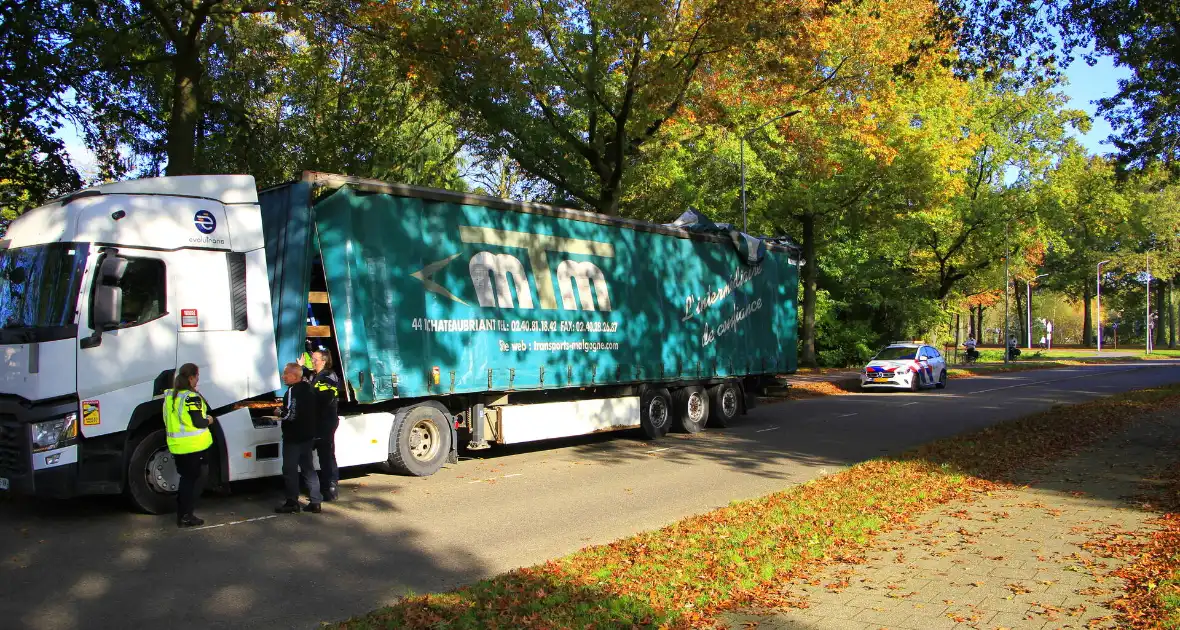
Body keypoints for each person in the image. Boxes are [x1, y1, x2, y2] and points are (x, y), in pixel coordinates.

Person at [163, 363, 215, 528]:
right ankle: (186, 515)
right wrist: (209, 420)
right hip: (194, 446)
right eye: (197, 376)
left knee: (186, 480)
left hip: (178, 446)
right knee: (193, 481)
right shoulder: (191, 398)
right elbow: (199, 422)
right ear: (191, 377)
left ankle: (183, 513)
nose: (198, 379)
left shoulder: (171, 396)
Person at [276, 362, 322, 514]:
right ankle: (316, 501)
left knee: (289, 470)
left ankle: (292, 502)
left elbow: (291, 414)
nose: (283, 377)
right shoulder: (309, 389)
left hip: (293, 437)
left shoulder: (292, 391)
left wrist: (278, 413)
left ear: (294, 376)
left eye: (285, 374)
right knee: (308, 468)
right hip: (307, 435)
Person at [310, 350, 341, 501]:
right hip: (318, 421)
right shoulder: (317, 376)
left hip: (325, 421)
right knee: (323, 454)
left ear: (323, 361)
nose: (312, 361)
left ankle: (330, 487)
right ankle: (323, 486)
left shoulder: (328, 376)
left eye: (314, 359)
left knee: (326, 455)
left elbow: (325, 397)